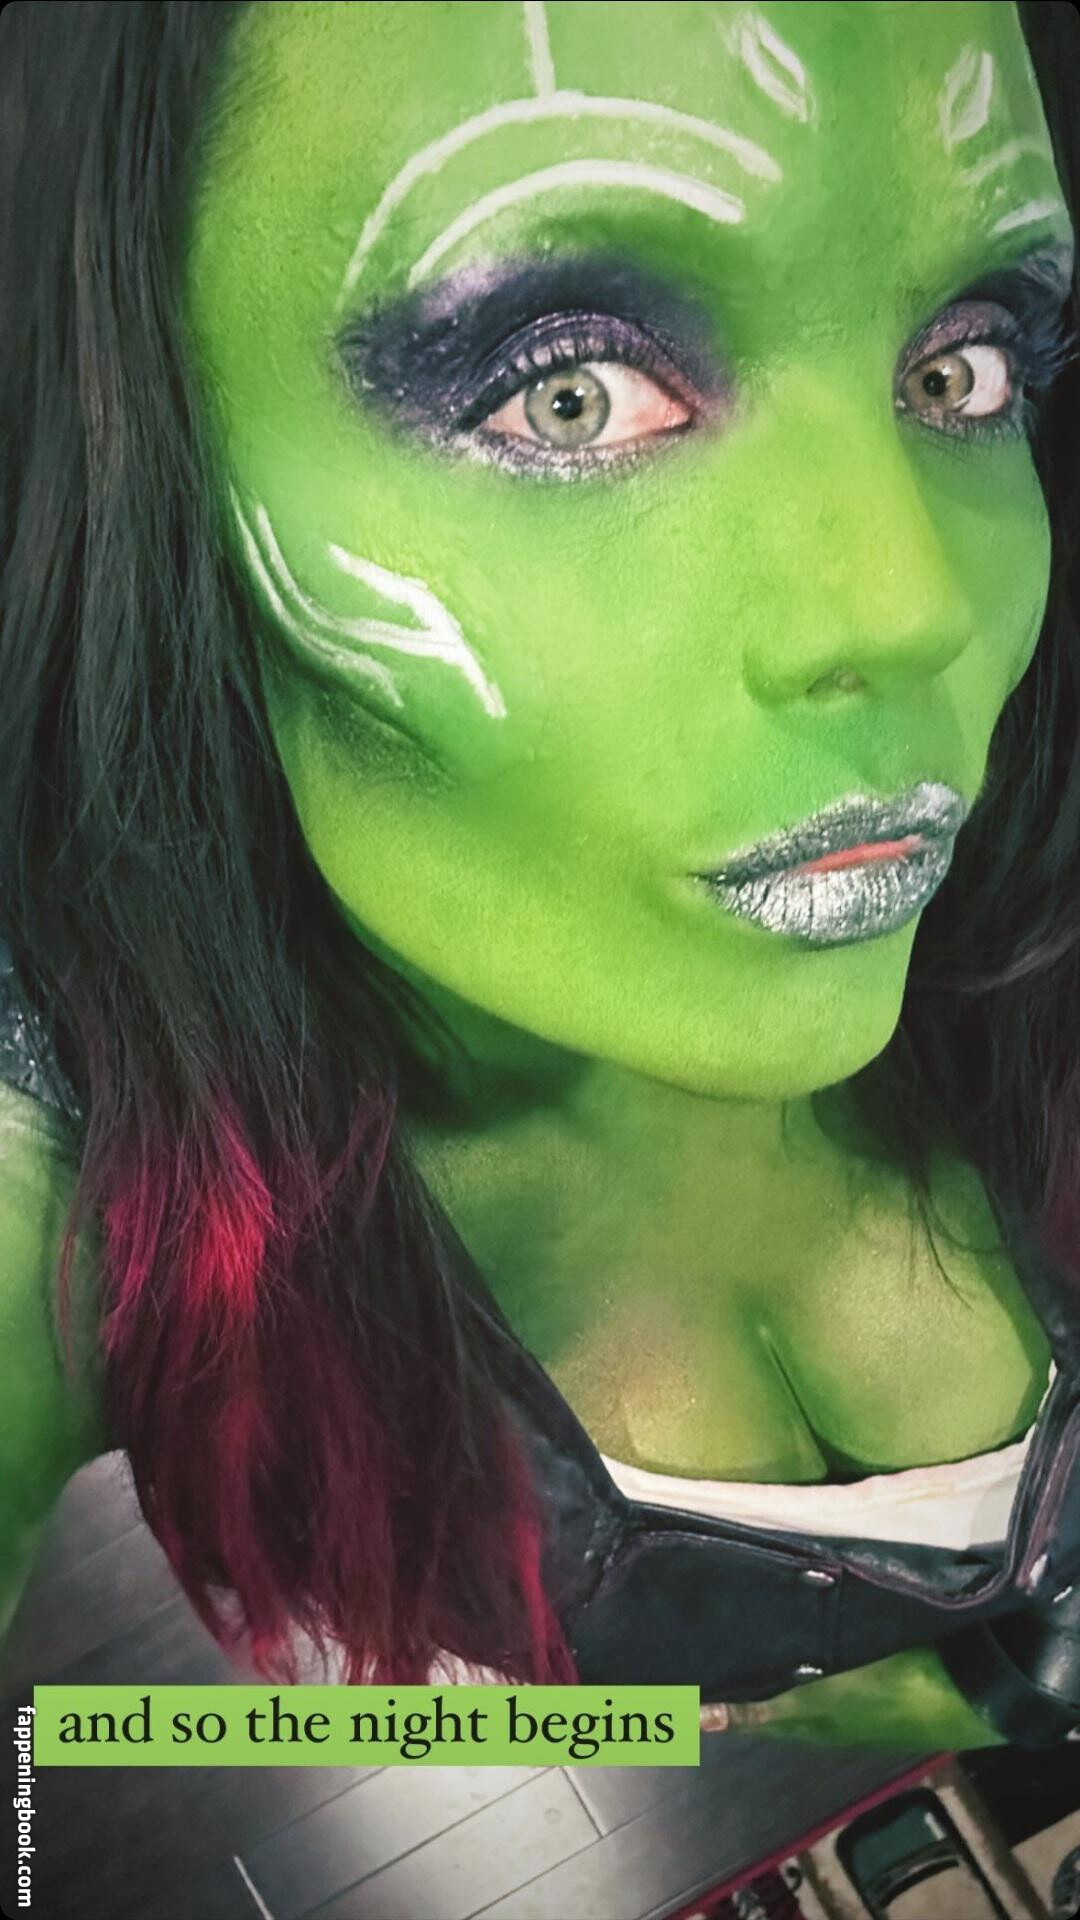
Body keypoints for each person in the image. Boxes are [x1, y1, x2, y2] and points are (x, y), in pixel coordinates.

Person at [1, 0, 1079, 1751]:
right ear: (146, 449)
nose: (912, 605)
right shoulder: (76, 1147)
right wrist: (659, 1754)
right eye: (569, 392)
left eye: (963, 368)